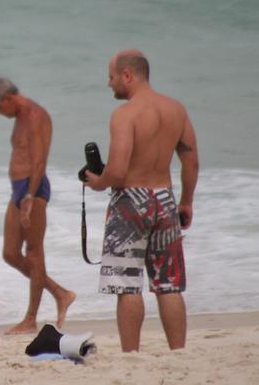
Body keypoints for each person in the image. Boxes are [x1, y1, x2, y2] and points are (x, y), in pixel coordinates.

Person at [85, 50, 198, 352]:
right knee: (169, 284)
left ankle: (131, 355)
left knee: (127, 284)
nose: (109, 84)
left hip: (131, 201)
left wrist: (97, 182)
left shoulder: (125, 114)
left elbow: (118, 172)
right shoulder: (176, 109)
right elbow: (191, 161)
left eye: (111, 77)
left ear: (127, 75)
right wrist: (186, 202)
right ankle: (178, 353)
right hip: (164, 197)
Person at [0, 77, 76, 334]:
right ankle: (60, 293)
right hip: (20, 190)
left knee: (34, 252)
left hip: (32, 190)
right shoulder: (20, 117)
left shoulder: (35, 116)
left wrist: (29, 198)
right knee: (10, 253)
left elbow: (39, 162)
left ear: (9, 99)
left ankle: (30, 319)